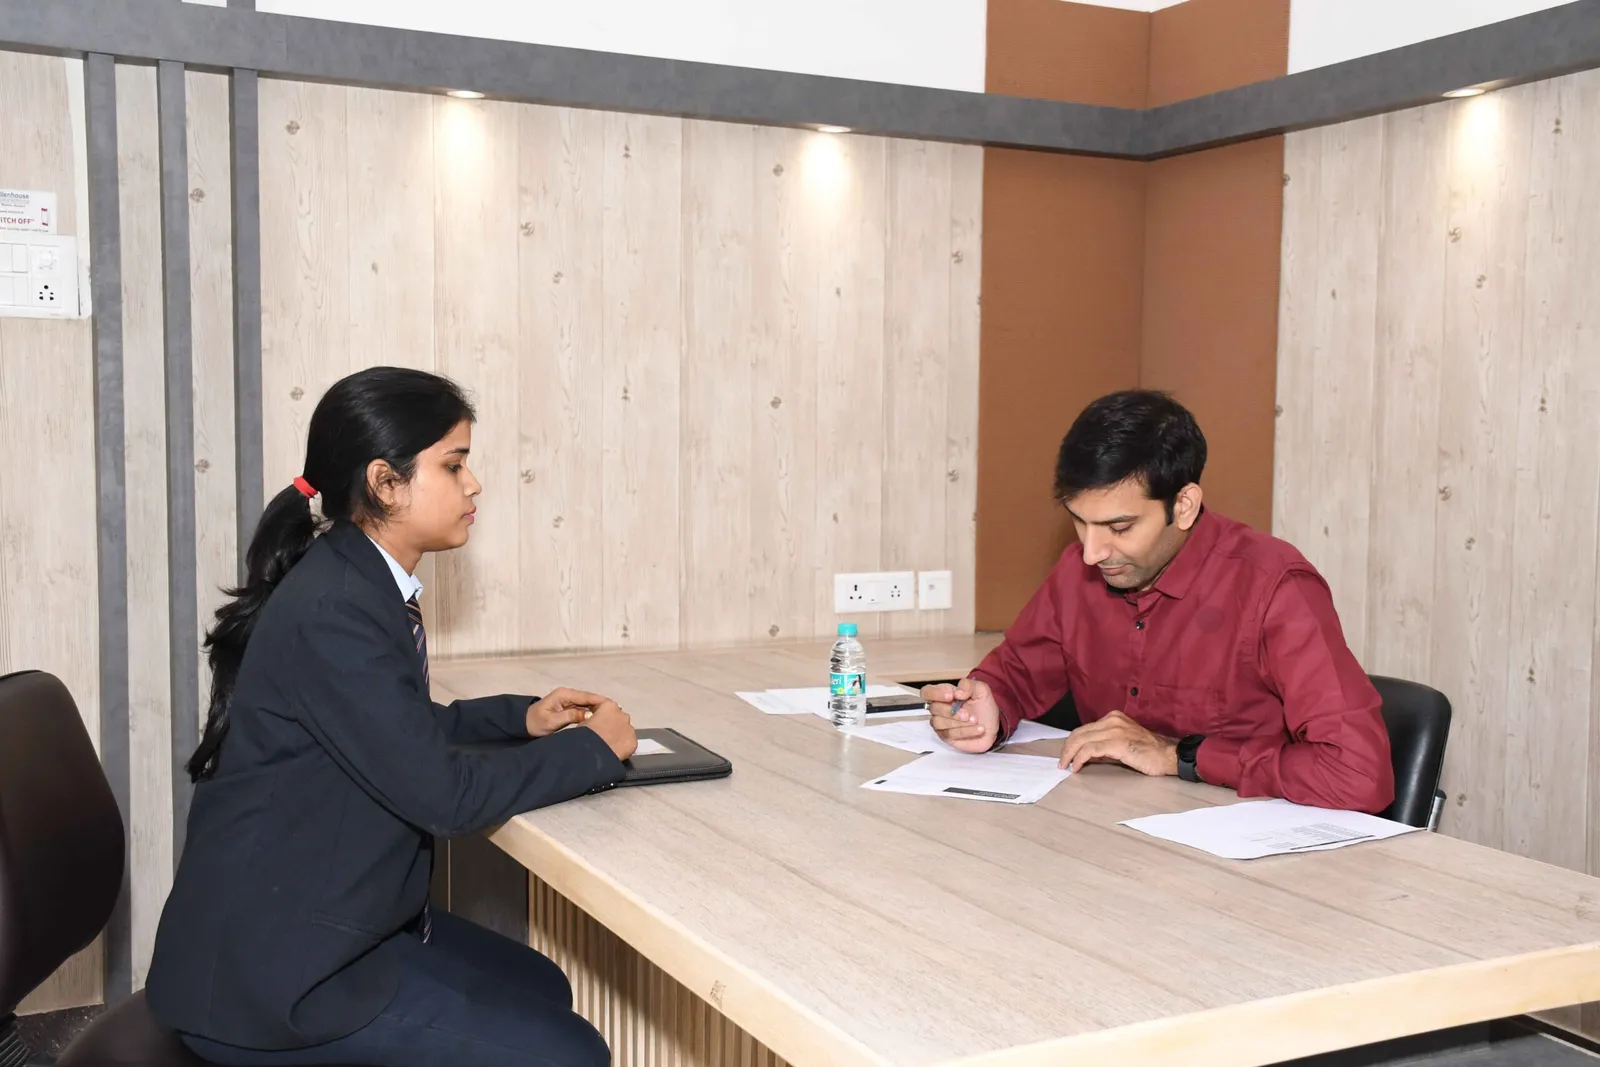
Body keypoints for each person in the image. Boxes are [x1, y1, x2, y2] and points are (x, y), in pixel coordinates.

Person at [146, 367, 637, 1066]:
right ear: (385, 482)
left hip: (322, 926)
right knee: (572, 1053)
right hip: (276, 983)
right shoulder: (336, 608)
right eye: (454, 465)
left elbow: (393, 728)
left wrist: (522, 719)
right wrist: (594, 750)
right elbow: (444, 797)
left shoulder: (356, 579)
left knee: (543, 986)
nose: (474, 485)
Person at [926, 390, 1394, 813]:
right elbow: (1018, 672)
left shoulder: (1275, 589)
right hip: (1112, 828)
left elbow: (1358, 773)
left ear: (1183, 505)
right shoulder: (1080, 571)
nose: (1091, 552)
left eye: (1120, 527)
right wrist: (986, 710)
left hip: (1243, 849)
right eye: (1079, 521)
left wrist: (1177, 756)